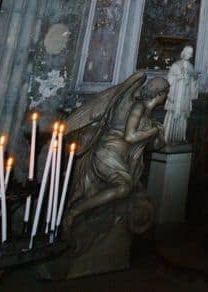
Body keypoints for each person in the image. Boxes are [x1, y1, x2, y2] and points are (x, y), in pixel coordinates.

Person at [62, 72, 168, 228]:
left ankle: (94, 218)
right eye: (166, 93)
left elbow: (153, 145)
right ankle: (75, 212)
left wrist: (157, 133)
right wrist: (153, 131)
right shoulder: (138, 107)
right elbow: (130, 136)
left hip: (118, 156)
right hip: (107, 153)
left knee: (128, 189)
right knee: (123, 187)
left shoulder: (147, 114)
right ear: (160, 94)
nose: (167, 97)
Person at [162, 45, 198, 144]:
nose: (189, 55)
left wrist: (194, 78)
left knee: (183, 115)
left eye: (191, 53)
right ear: (184, 52)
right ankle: (167, 137)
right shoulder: (175, 65)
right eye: (188, 52)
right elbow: (169, 78)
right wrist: (178, 78)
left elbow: (193, 80)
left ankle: (180, 137)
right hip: (176, 94)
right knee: (173, 114)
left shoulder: (191, 67)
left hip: (185, 95)